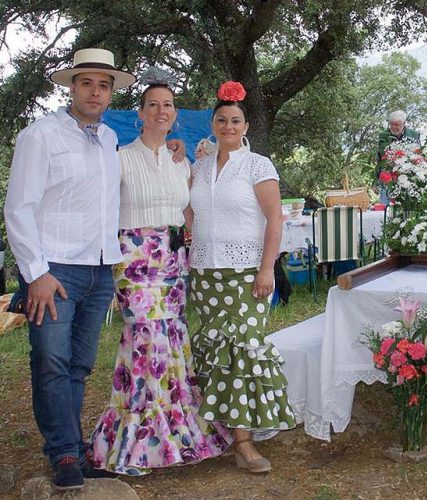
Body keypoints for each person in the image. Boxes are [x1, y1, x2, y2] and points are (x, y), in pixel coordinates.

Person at [88, 67, 232, 475]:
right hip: (133, 257)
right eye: (153, 104)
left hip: (172, 257)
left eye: (167, 105)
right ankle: (135, 442)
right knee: (144, 341)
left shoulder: (179, 160)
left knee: (171, 336)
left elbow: (189, 209)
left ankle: (175, 434)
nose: (161, 110)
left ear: (174, 112)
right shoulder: (118, 158)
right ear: (140, 112)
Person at [4, 48, 135, 490]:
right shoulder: (41, 136)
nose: (95, 92)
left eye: (104, 85)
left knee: (78, 365)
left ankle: (75, 449)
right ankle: (62, 451)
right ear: (71, 87)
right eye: (87, 83)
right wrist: (36, 274)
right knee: (51, 362)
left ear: (110, 92)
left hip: (99, 268)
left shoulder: (110, 139)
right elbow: (18, 208)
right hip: (54, 269)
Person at [189, 81, 296, 473]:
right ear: (212, 124)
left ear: (246, 126)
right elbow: (190, 210)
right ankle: (222, 432)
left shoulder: (258, 165)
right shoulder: (199, 165)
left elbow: (274, 219)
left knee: (244, 351)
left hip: (246, 273)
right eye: (222, 120)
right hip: (205, 274)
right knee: (216, 352)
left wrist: (267, 267)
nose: (228, 126)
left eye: (235, 120)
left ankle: (245, 442)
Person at [375, 110, 421, 204]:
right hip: (388, 177)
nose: (394, 127)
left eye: (397, 125)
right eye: (392, 124)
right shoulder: (383, 135)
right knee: (386, 207)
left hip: (408, 177)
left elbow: (418, 155)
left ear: (404, 123)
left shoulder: (414, 135)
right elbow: (380, 158)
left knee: (407, 206)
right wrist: (376, 181)